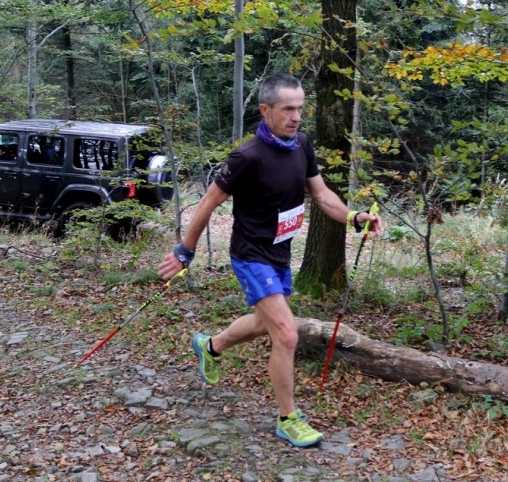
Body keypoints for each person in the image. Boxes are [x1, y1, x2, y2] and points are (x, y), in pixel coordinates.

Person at [158, 74, 383, 448]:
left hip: (279, 251)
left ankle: (210, 346)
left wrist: (354, 217)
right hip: (251, 254)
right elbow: (208, 203)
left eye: (300, 108)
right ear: (266, 110)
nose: (296, 117)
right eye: (288, 109)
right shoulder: (247, 157)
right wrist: (186, 251)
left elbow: (322, 194)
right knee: (287, 333)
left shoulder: (302, 146)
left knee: (265, 324)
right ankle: (287, 418)